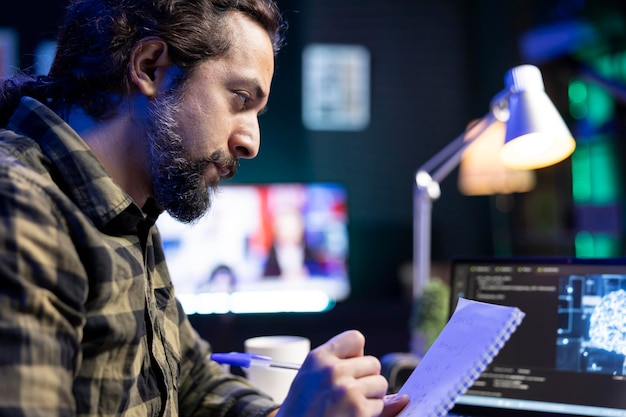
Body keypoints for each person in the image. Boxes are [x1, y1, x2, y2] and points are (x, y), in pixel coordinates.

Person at [0, 1, 410, 417]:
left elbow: (192, 380)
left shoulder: (128, 207)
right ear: (150, 66)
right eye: (240, 98)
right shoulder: (19, 203)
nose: (251, 142)